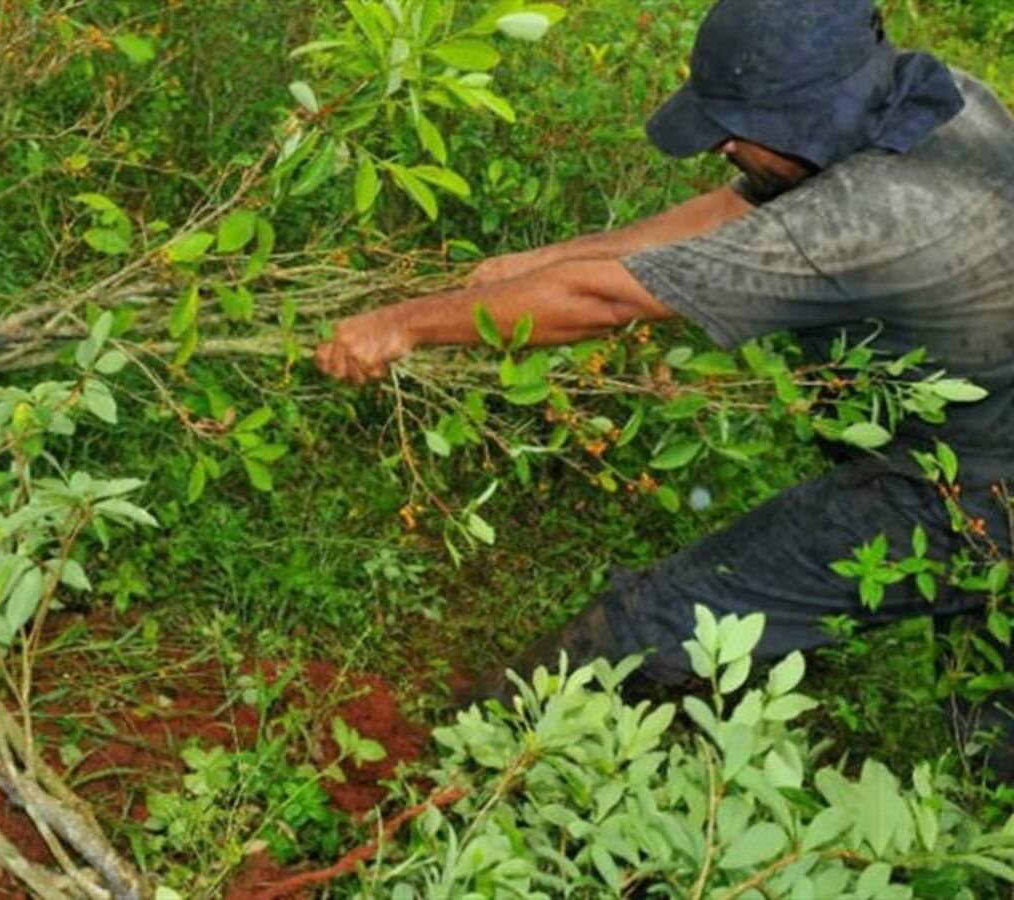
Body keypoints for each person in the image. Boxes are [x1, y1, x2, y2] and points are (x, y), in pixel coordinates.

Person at [315, 0, 1014, 772]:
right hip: (984, 440)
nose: (720, 143)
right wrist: (557, 258)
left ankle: (452, 762)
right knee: (994, 727)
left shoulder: (869, 221)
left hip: (963, 490)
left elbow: (608, 303)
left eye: (735, 126)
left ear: (806, 118)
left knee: (668, 615)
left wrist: (404, 325)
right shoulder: (937, 97)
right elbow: (739, 203)